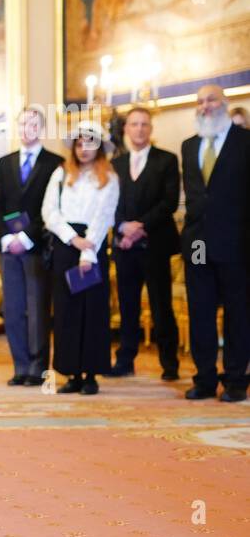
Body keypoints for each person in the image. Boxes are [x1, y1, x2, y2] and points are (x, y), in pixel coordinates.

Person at [180, 84, 250, 402]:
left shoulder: (244, 142)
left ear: (224, 103)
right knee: (201, 311)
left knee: (238, 312)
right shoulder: (188, 145)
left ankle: (236, 380)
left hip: (235, 242)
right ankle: (205, 378)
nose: (205, 106)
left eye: (211, 100)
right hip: (198, 243)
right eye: (200, 102)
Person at [0, 106, 64, 387]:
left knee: (37, 309)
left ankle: (37, 367)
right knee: (13, 308)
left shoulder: (55, 163)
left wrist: (27, 237)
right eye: (22, 124)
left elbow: (53, 207)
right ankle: (19, 365)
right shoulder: (4, 163)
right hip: (9, 249)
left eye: (32, 124)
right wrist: (6, 238)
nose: (26, 129)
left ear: (41, 128)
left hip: (37, 247)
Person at [43, 121, 120, 395]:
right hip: (66, 245)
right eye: (79, 144)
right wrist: (71, 239)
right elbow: (49, 211)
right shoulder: (61, 174)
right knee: (66, 312)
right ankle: (71, 373)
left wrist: (88, 251)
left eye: (89, 143)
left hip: (94, 245)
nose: (84, 149)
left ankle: (90, 374)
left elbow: (104, 216)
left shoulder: (109, 178)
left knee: (93, 312)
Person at [108, 106, 180, 380]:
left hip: (156, 245)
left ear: (151, 129)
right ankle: (125, 360)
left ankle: (169, 363)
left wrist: (140, 227)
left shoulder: (167, 160)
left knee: (162, 306)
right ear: (126, 129)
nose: (139, 129)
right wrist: (123, 228)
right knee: (127, 306)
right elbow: (109, 203)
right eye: (134, 124)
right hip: (125, 247)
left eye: (144, 124)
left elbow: (169, 202)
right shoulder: (116, 164)